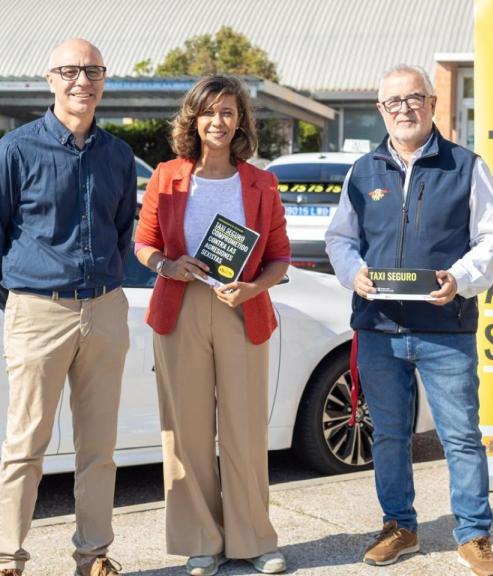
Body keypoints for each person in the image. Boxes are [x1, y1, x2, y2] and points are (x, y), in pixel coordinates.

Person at [324, 64, 493, 576]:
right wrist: (353, 273)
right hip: (379, 328)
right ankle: (399, 527)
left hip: (444, 327)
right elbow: (340, 239)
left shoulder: (466, 165)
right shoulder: (362, 171)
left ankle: (474, 534)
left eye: (413, 99)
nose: (404, 109)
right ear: (381, 110)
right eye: (393, 103)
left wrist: (459, 277)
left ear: (431, 103)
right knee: (387, 435)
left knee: (461, 436)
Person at [0, 38, 136, 576]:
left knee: (99, 448)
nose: (81, 81)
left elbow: (122, 231)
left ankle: (93, 556)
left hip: (105, 310)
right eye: (69, 70)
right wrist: (22, 302)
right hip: (38, 310)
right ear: (49, 79)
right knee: (25, 445)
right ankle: (7, 559)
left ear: (104, 80)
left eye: (92, 71)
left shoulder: (117, 155)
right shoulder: (14, 151)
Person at [134, 75, 290, 576]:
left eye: (227, 112)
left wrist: (252, 288)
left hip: (241, 309)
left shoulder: (261, 182)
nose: (218, 121)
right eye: (208, 112)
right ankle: (203, 541)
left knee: (245, 430)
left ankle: (254, 540)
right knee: (188, 433)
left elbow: (280, 259)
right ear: (194, 120)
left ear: (240, 120)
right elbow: (144, 243)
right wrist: (167, 266)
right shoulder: (167, 176)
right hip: (179, 310)